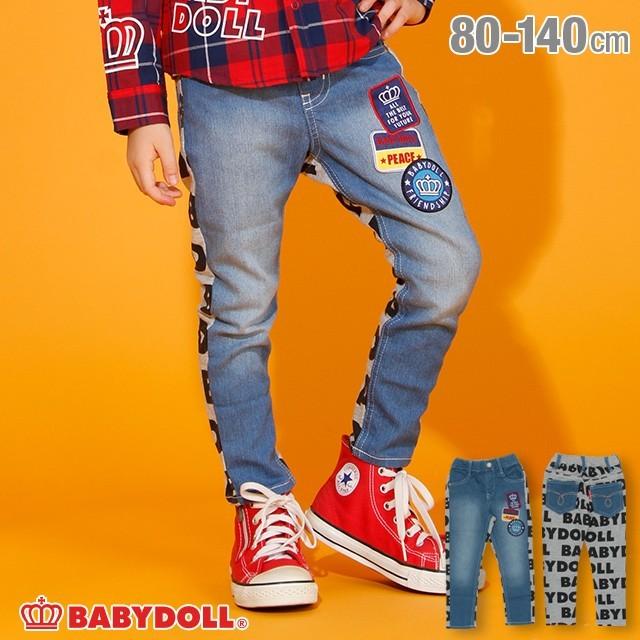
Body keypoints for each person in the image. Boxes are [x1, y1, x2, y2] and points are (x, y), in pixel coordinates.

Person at [97, 0, 481, 609]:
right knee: (240, 304)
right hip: (224, 82)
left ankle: (367, 484)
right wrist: (141, 108)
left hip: (354, 64)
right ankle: (260, 504)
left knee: (447, 263)